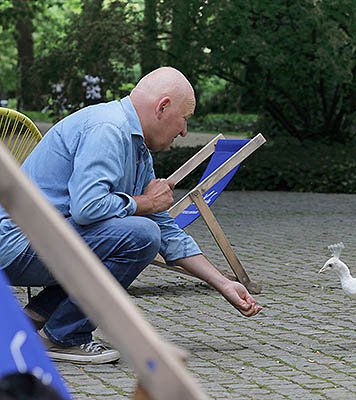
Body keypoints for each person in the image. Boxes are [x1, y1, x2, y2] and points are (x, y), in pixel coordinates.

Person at [0, 67, 262, 364]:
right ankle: (63, 337)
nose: (185, 131)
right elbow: (87, 208)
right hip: (15, 247)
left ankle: (37, 319)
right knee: (139, 235)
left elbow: (165, 229)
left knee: (143, 231)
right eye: (185, 119)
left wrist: (224, 284)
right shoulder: (108, 129)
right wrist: (144, 203)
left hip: (41, 243)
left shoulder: (137, 147)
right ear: (163, 107)